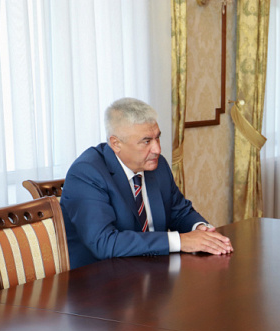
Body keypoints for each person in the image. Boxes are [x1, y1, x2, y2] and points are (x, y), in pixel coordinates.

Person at [61, 97, 233, 269]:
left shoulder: (157, 166)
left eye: (157, 138)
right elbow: (104, 242)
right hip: (100, 277)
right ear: (116, 144)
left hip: (152, 270)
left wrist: (202, 229)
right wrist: (180, 241)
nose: (157, 149)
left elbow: (179, 212)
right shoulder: (87, 173)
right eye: (146, 141)